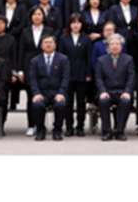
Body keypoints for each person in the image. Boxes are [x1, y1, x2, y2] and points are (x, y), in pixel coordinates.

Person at [18, 7, 54, 136]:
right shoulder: (25, 31)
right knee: (31, 97)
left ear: (43, 16)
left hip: (45, 65)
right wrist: (20, 70)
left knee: (43, 96)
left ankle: (43, 125)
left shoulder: (49, 31)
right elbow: (21, 50)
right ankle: (31, 125)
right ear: (31, 17)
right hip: (29, 66)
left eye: (39, 14)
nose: (37, 17)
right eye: (34, 14)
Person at [29, 35, 70, 141]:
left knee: (61, 105)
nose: (48, 44)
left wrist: (61, 93)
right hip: (42, 92)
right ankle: (40, 130)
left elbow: (66, 78)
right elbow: (33, 79)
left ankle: (57, 130)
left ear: (55, 45)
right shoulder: (35, 60)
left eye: (50, 42)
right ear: (41, 45)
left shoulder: (63, 59)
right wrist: (36, 93)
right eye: (45, 42)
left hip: (57, 91)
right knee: (37, 105)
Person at [95, 34, 135, 141]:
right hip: (107, 91)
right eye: (112, 44)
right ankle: (106, 131)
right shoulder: (101, 60)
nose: (115, 46)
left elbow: (131, 77)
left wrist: (127, 92)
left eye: (117, 44)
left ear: (121, 46)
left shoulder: (128, 59)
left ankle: (120, 131)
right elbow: (99, 78)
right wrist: (102, 91)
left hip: (122, 91)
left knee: (126, 102)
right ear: (108, 46)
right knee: (103, 101)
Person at [59, 14, 92, 137]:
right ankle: (69, 126)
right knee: (68, 103)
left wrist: (88, 73)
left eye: (78, 22)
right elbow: (60, 57)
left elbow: (89, 58)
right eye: (73, 22)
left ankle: (80, 127)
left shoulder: (86, 39)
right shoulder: (63, 38)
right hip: (67, 74)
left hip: (82, 74)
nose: (76, 25)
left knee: (81, 103)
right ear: (69, 24)